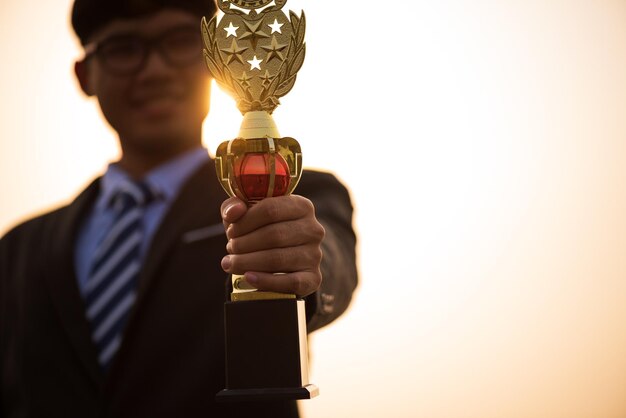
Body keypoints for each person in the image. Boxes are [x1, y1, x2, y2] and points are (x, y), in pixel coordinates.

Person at [0, 0, 358, 416]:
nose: (153, 70)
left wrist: (303, 269)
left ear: (217, 61)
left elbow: (328, 259)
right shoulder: (16, 252)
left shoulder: (298, 193)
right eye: (123, 48)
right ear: (84, 74)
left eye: (179, 41)